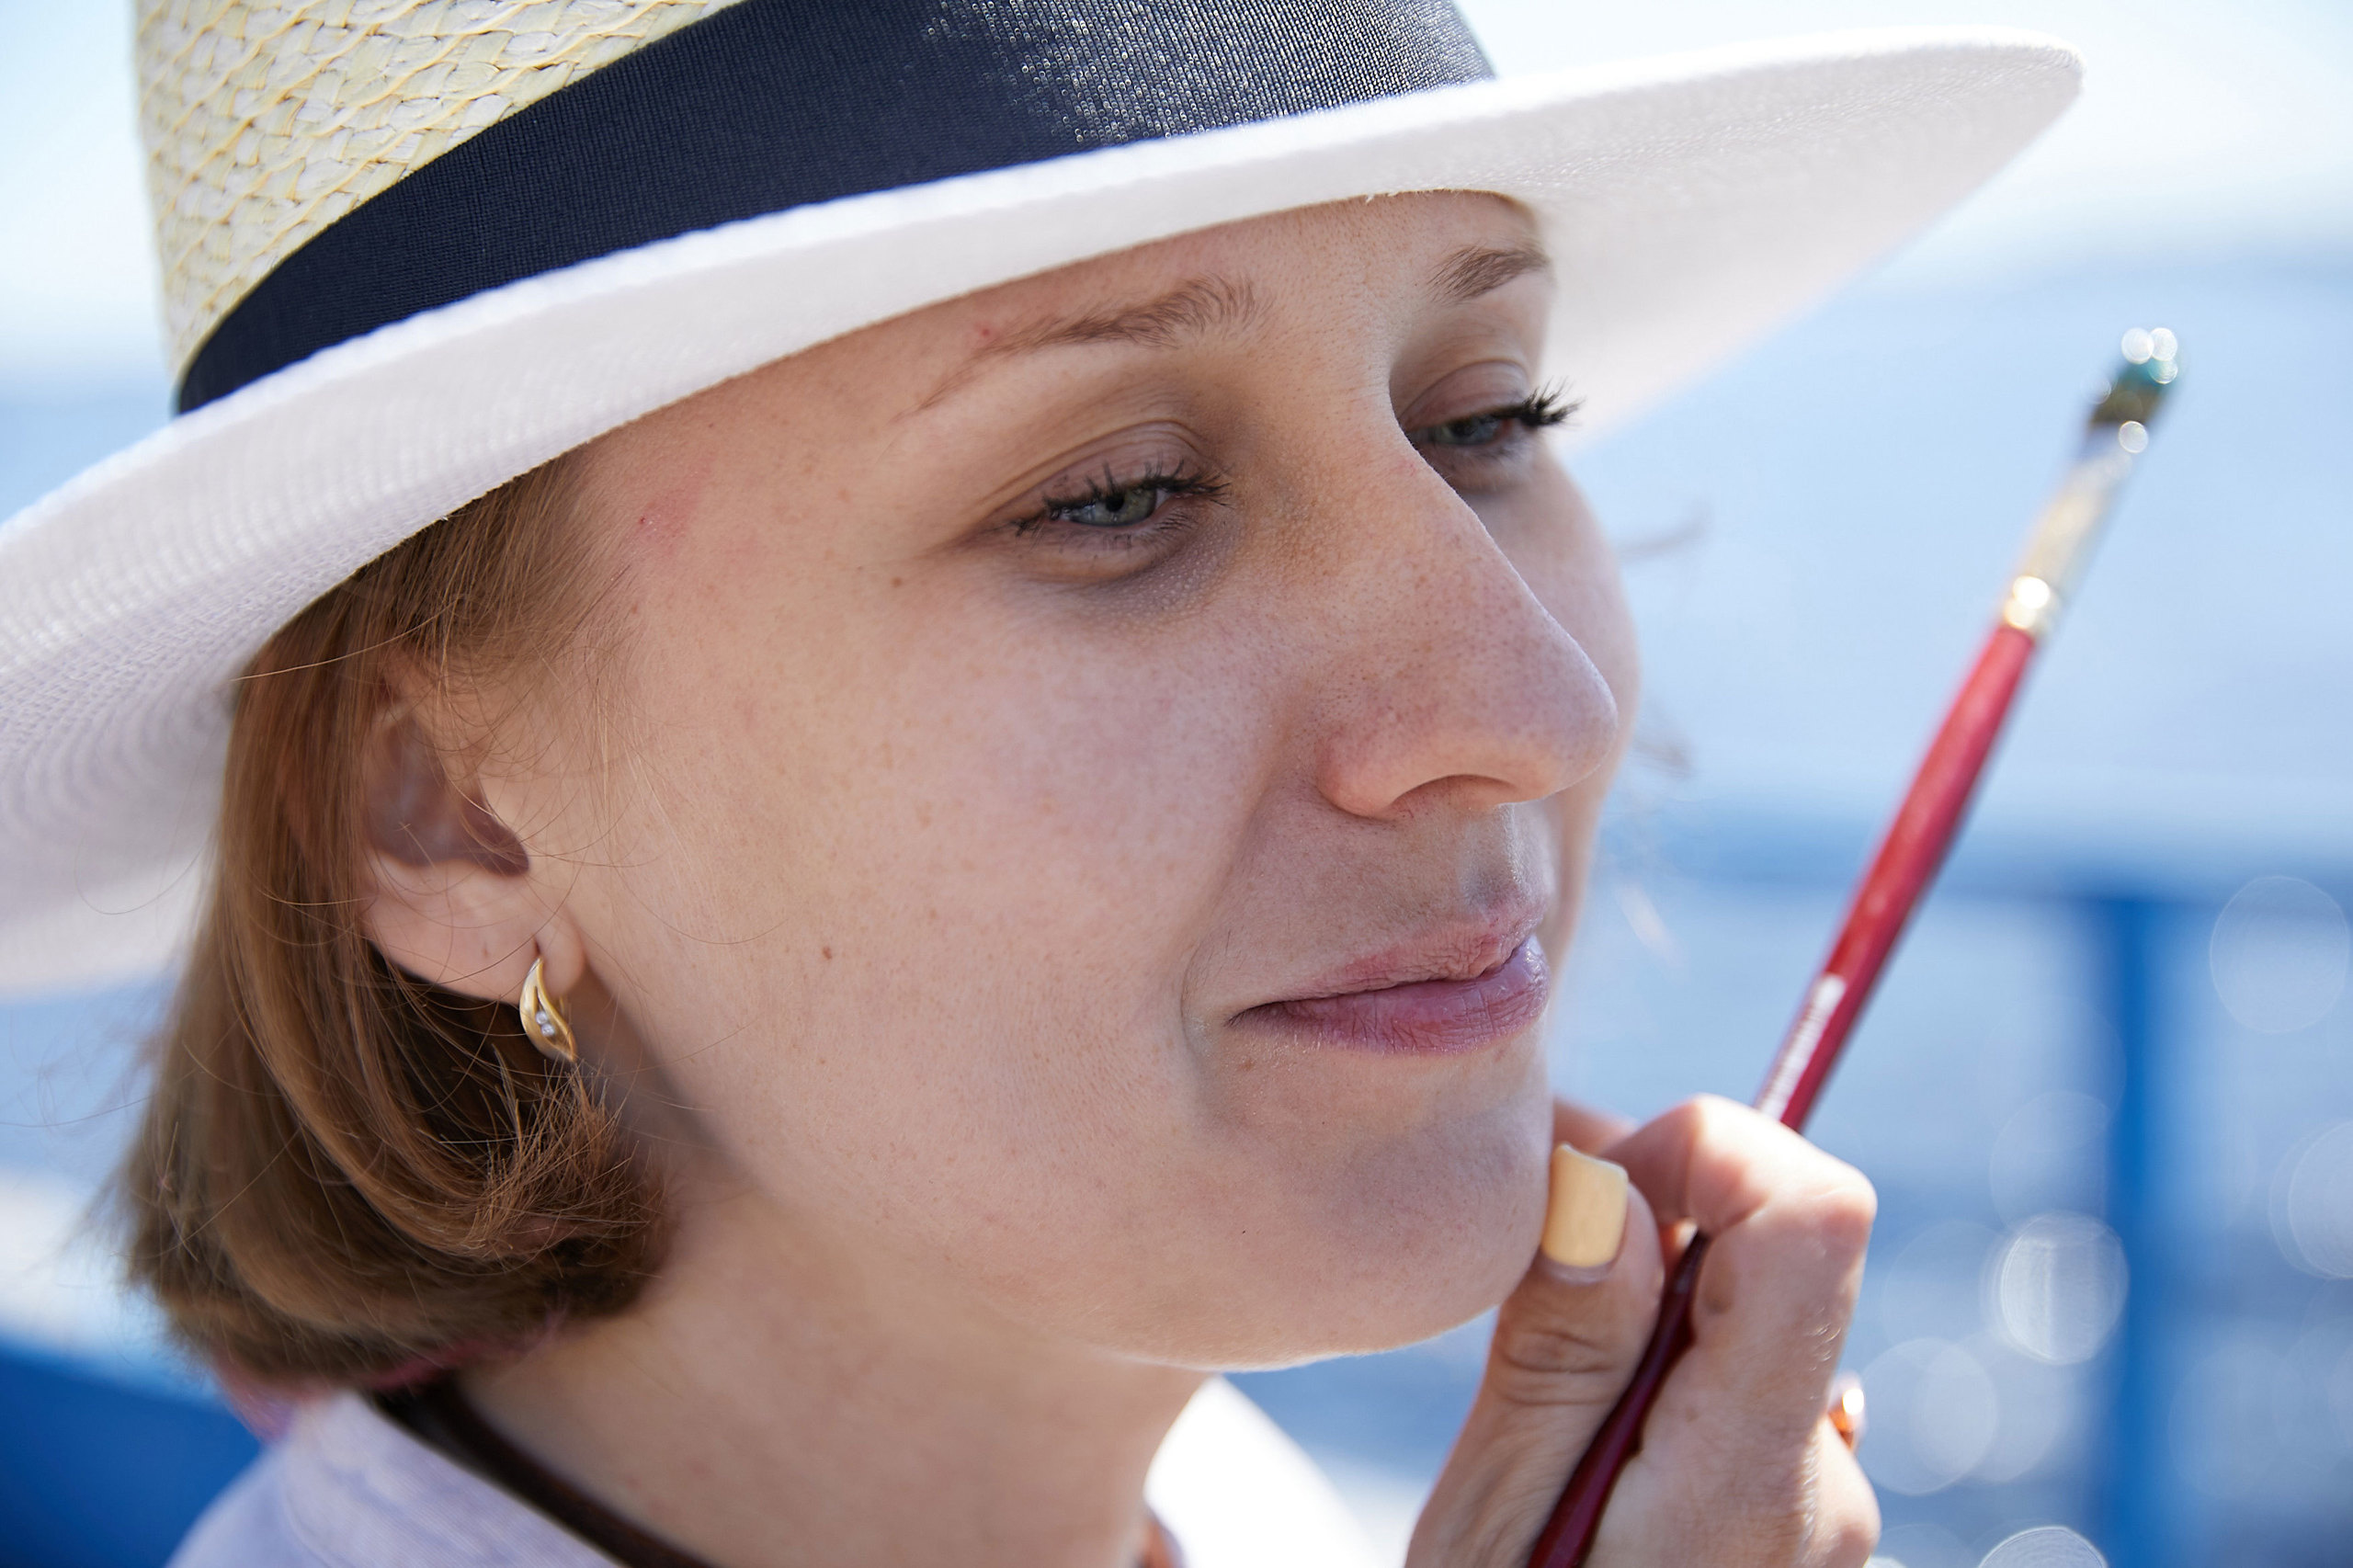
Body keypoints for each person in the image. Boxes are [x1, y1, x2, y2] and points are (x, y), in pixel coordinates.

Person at [0, 4, 2079, 1564]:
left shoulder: (1226, 1498)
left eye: (1485, 417)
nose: (1529, 703)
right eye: (1117, 494)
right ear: (456, 816)